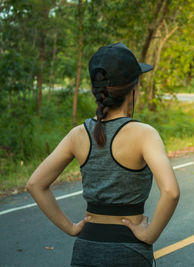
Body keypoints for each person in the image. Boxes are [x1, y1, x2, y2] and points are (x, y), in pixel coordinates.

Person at [26, 42, 180, 266]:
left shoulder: (78, 134)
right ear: (134, 88)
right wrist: (149, 235)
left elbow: (35, 184)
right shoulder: (144, 134)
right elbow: (171, 192)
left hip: (85, 250)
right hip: (128, 252)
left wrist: (70, 227)